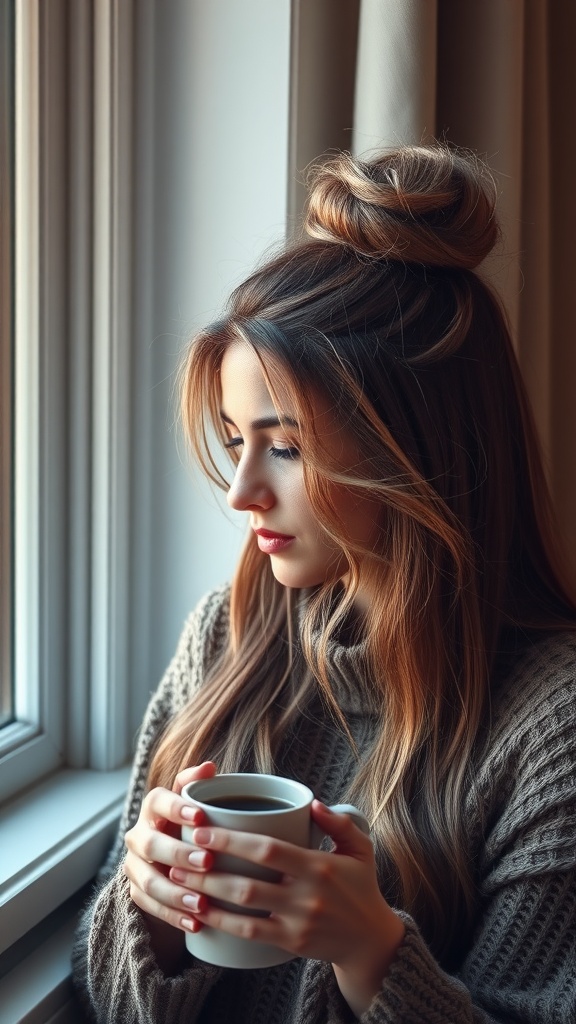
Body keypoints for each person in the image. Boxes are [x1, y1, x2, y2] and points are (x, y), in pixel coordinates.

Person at [72, 144, 576, 1023]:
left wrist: (372, 952)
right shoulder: (228, 639)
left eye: (288, 446)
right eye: (236, 440)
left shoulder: (550, 726)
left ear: (414, 449)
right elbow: (104, 992)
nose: (241, 491)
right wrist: (145, 915)